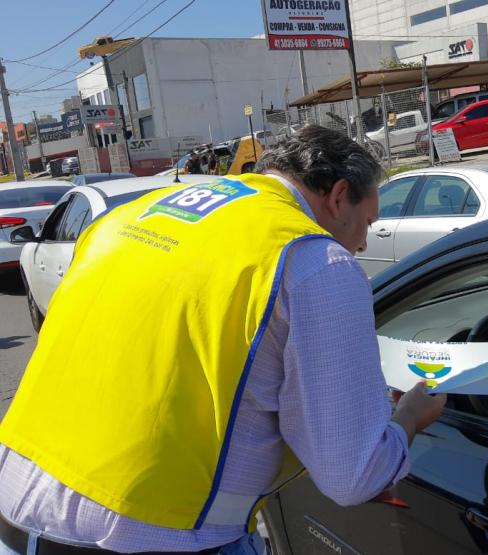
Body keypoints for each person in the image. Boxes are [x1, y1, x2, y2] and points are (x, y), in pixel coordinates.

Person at [0, 126, 446, 554]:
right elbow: (353, 475)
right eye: (367, 221)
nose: (364, 243)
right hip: (150, 535)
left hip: (15, 507)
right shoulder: (315, 261)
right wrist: (408, 417)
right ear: (338, 195)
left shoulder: (133, 214)